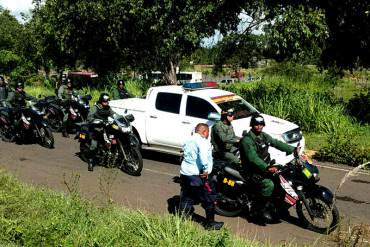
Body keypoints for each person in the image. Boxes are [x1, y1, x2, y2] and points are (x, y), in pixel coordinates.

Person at [239, 114, 299, 222]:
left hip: (264, 167)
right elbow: (253, 158)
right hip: (252, 170)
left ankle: (276, 206)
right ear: (252, 125)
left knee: (283, 178)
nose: (259, 126)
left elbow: (276, 143)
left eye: (261, 124)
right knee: (269, 184)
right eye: (257, 124)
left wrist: (293, 149)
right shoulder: (247, 140)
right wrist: (267, 168)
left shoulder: (263, 136)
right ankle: (259, 210)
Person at [179, 123, 224, 230]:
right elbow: (203, 156)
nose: (208, 135)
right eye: (208, 132)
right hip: (197, 175)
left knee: (187, 195)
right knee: (210, 197)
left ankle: (181, 218)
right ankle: (210, 223)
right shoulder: (202, 141)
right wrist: (205, 170)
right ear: (204, 132)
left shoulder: (187, 139)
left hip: (185, 173)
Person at [86, 92, 115, 171]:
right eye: (104, 101)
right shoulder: (96, 107)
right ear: (101, 100)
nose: (106, 102)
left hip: (105, 128)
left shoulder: (108, 108)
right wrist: (97, 121)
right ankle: (90, 162)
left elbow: (114, 114)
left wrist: (120, 117)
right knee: (94, 146)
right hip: (96, 128)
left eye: (107, 101)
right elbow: (89, 117)